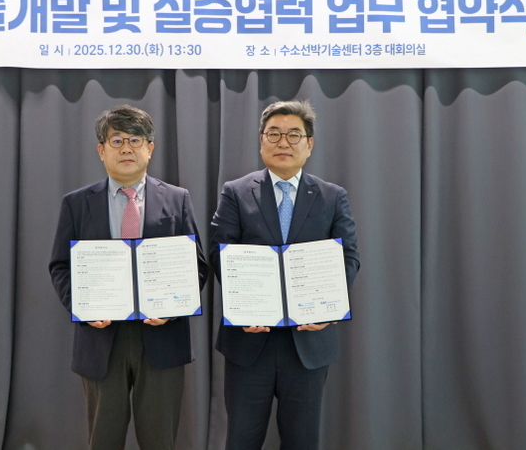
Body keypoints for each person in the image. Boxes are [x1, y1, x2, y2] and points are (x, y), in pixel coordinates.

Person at [49, 104, 208, 450]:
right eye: (116, 140)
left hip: (162, 336)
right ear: (101, 150)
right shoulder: (77, 203)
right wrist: (84, 308)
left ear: (150, 149)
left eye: (135, 140)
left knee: (160, 441)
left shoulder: (177, 199)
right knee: (103, 440)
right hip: (101, 339)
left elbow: (196, 265)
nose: (126, 148)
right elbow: (60, 266)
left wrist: (173, 306)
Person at [210, 100, 360, 450]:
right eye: (274, 134)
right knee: (241, 440)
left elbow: (348, 257)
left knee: (302, 441)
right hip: (249, 341)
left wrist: (327, 308)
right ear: (261, 141)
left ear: (309, 144)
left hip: (308, 342)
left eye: (294, 135)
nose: (283, 142)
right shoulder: (236, 192)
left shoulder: (332, 196)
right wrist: (243, 306)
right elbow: (220, 254)